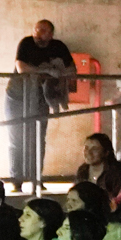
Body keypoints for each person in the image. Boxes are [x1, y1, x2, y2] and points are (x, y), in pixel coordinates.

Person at [10, 18, 78, 186]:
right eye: (36, 30)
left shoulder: (58, 47)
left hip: (41, 98)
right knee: (16, 137)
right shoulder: (26, 43)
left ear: (50, 34)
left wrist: (59, 72)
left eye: (42, 31)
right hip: (17, 95)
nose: (37, 34)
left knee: (38, 137)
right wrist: (47, 71)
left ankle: (36, 179)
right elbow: (21, 68)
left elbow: (72, 69)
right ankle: (16, 180)